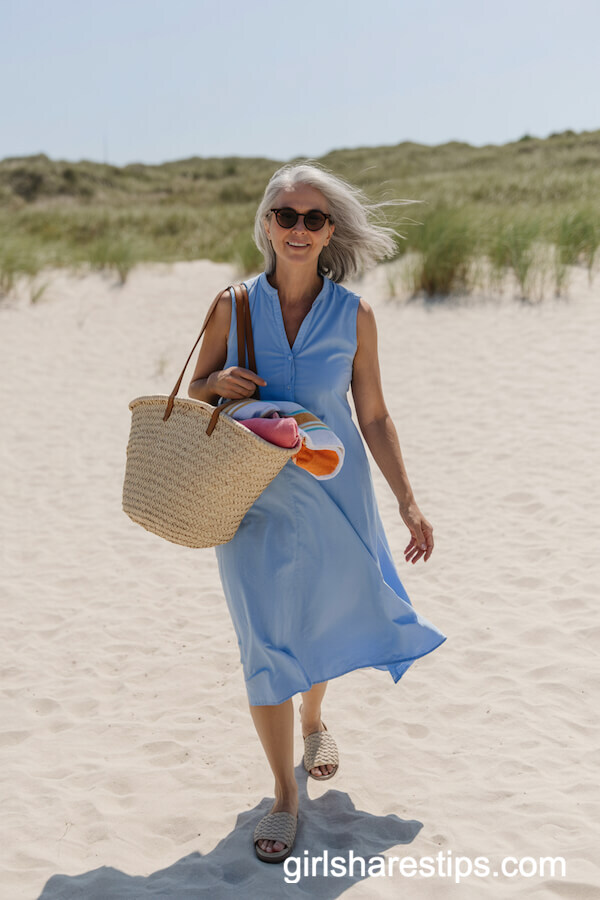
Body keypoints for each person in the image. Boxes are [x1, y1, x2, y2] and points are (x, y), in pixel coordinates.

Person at [188, 162, 446, 863]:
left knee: (319, 619)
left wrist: (408, 501)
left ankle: (315, 718)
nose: (298, 230)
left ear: (330, 232)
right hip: (251, 504)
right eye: (286, 216)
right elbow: (191, 400)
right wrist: (215, 381)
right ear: (267, 224)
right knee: (265, 639)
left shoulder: (354, 315)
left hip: (337, 497)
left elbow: (374, 415)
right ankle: (283, 794)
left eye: (314, 219)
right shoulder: (232, 306)